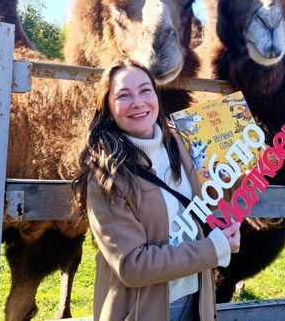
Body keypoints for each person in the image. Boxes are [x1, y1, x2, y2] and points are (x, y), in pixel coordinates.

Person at [73, 58, 241, 321]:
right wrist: (214, 247)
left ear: (157, 95)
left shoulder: (181, 144)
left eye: (145, 90)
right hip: (146, 308)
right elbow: (132, 266)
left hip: (198, 299)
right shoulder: (106, 176)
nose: (138, 102)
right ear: (108, 106)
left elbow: (204, 198)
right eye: (124, 95)